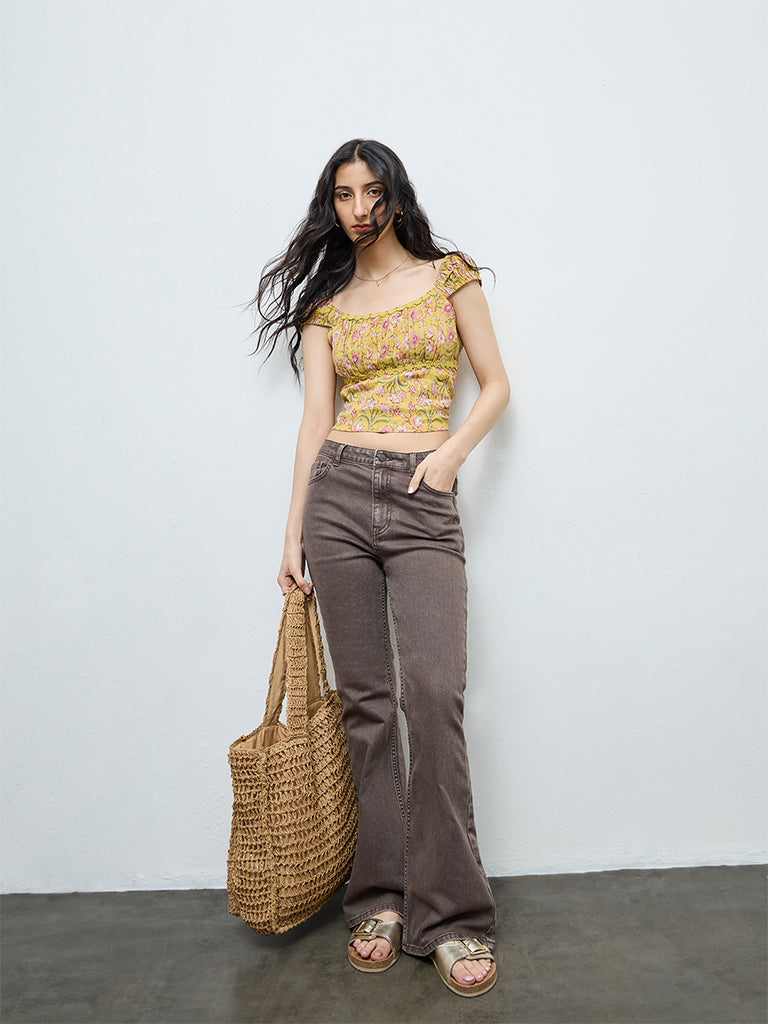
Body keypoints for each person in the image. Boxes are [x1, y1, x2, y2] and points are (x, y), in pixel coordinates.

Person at [246, 138, 510, 997]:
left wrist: (450, 457)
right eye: (343, 194)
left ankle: (454, 914)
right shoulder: (327, 303)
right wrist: (293, 530)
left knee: (432, 695)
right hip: (338, 498)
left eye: (372, 191)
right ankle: (382, 899)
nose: (359, 209)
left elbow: (496, 385)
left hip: (424, 492)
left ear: (397, 194)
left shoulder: (449, 276)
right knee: (368, 707)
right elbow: (315, 419)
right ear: (330, 204)